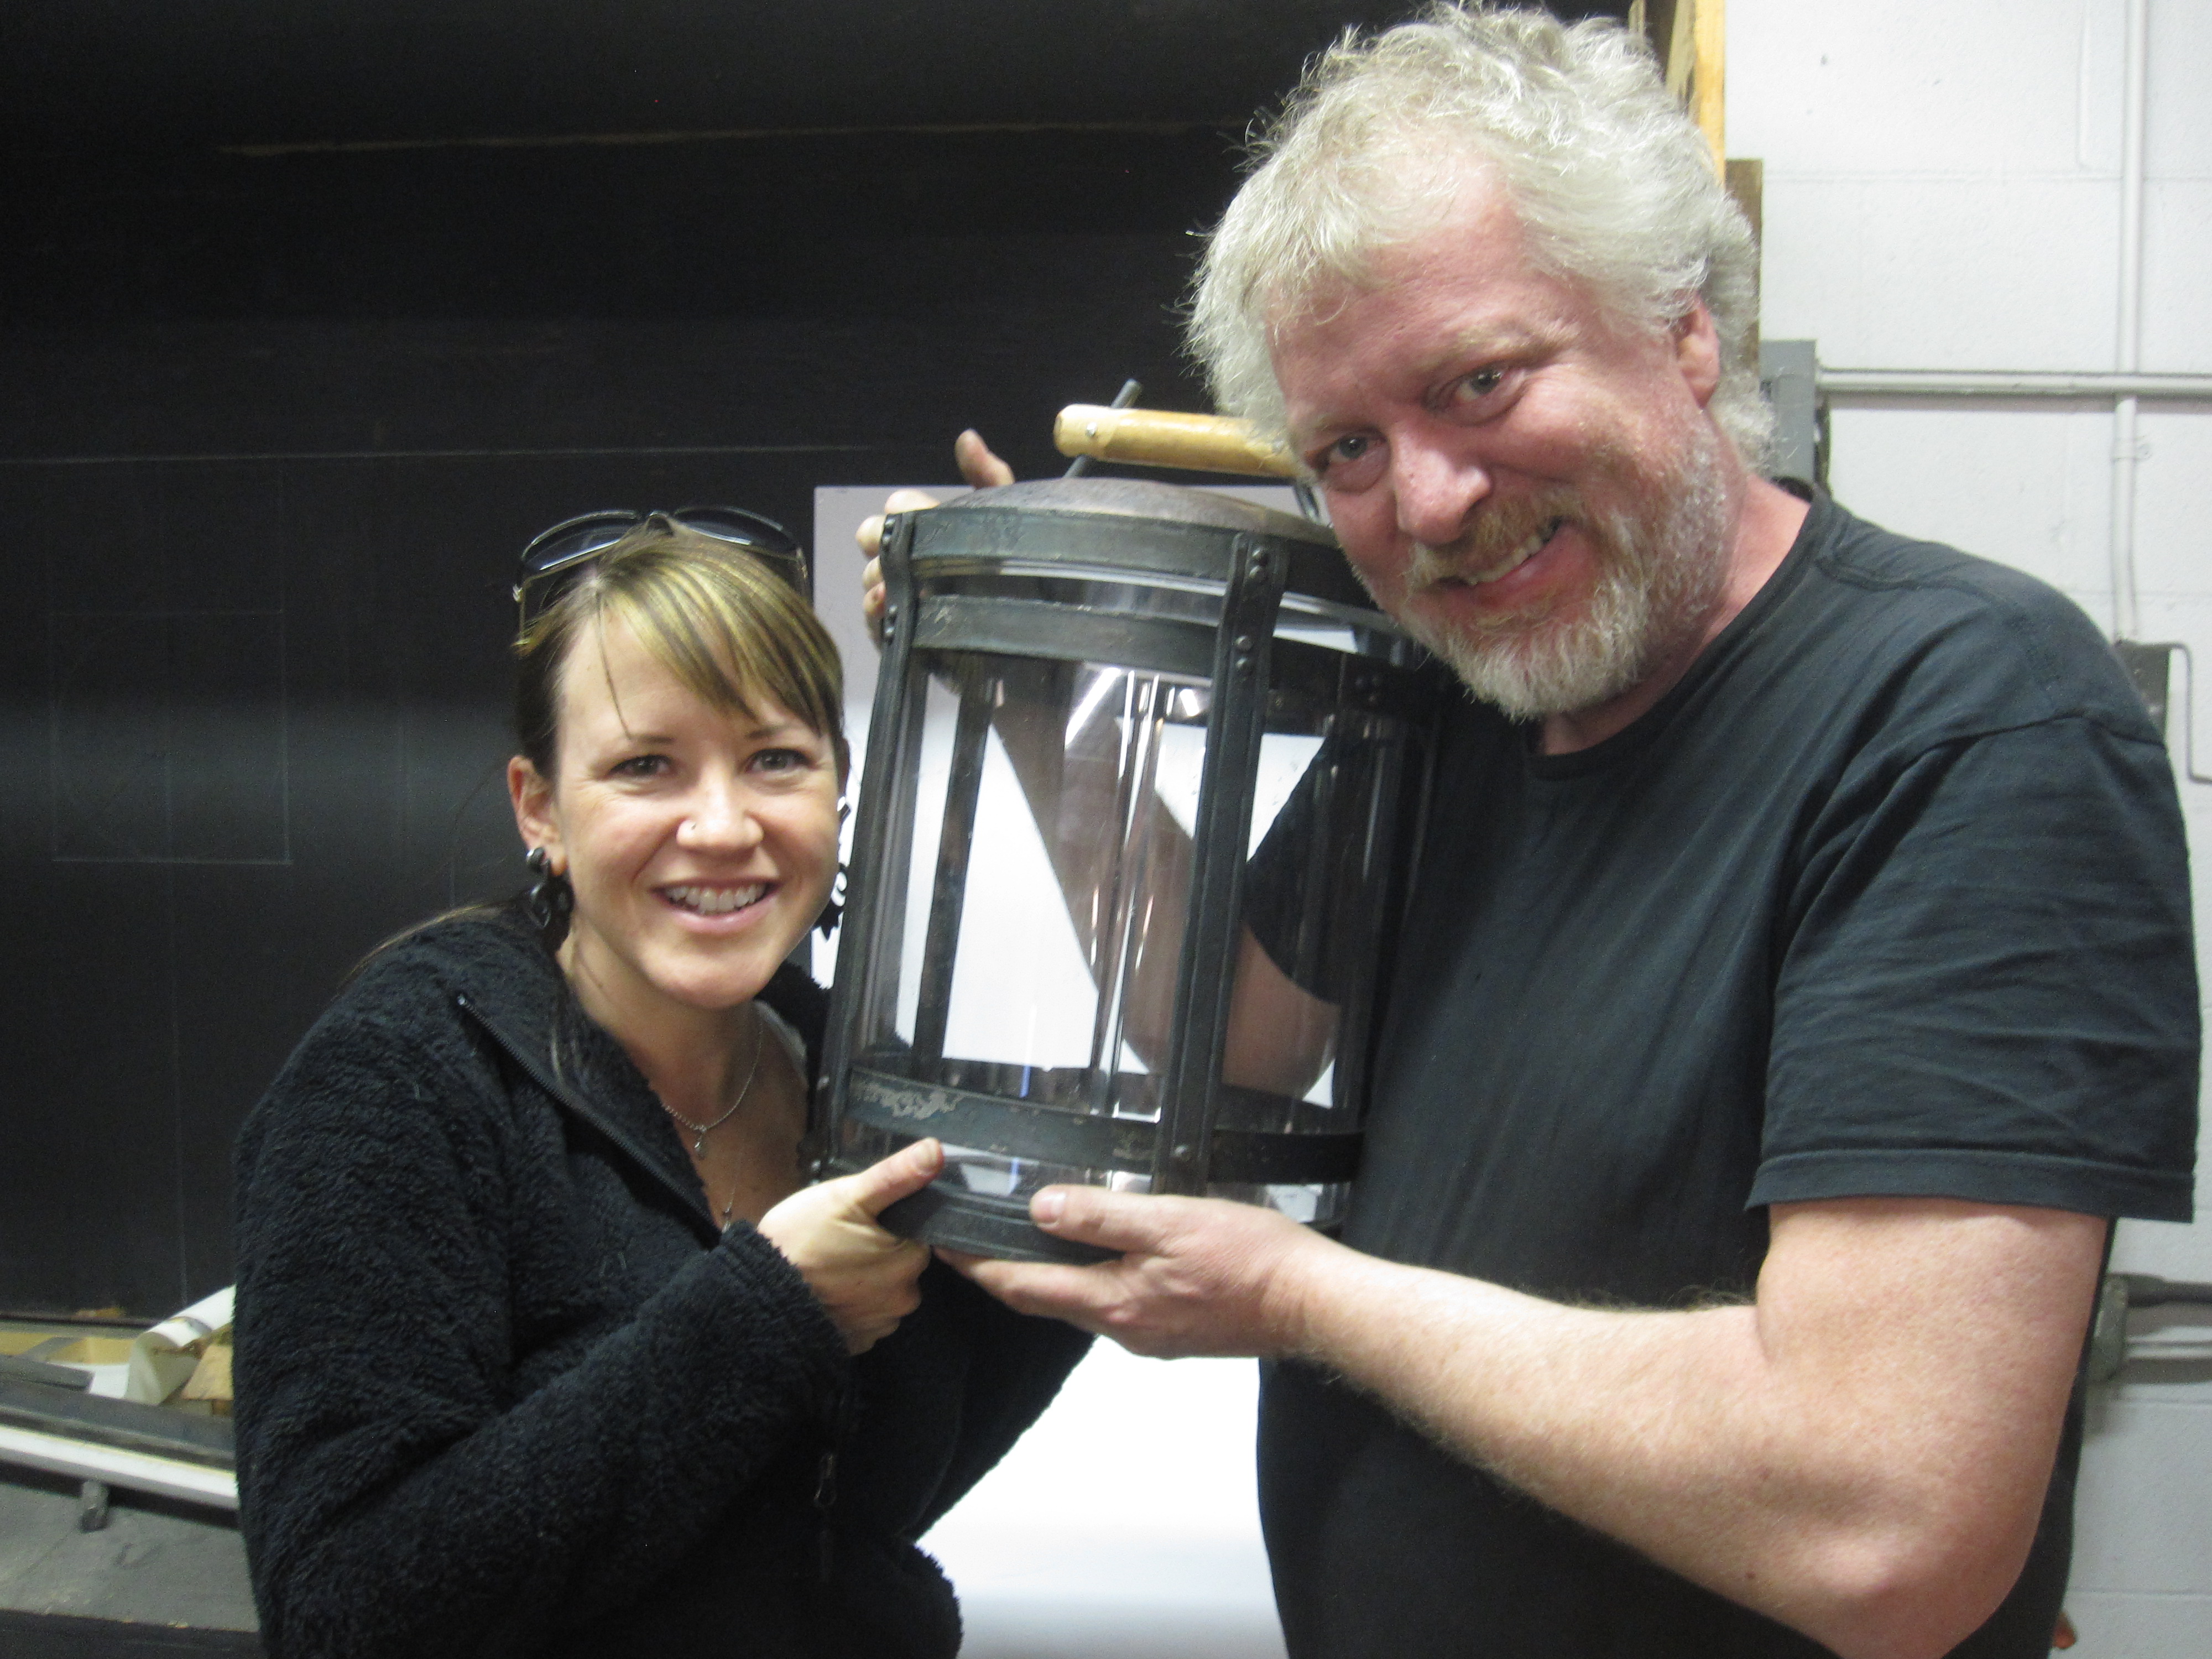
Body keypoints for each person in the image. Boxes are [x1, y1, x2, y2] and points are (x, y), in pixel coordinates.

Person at [858, 8, 2198, 1658]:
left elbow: (1883, 1520)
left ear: (1684, 329)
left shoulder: (1964, 720)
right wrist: (1034, 705)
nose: (1427, 503)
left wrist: (1298, 1299)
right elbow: (1246, 1039)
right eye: (1348, 449)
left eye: (1479, 382)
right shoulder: (1467, 704)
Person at [232, 509, 1088, 1659]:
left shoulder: (847, 1078)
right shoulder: (401, 1081)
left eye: (775, 759)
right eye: (646, 767)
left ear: (839, 788)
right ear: (540, 807)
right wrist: (768, 1318)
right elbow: (340, 1610)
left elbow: (839, 1512)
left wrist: (1061, 1274)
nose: (723, 827)